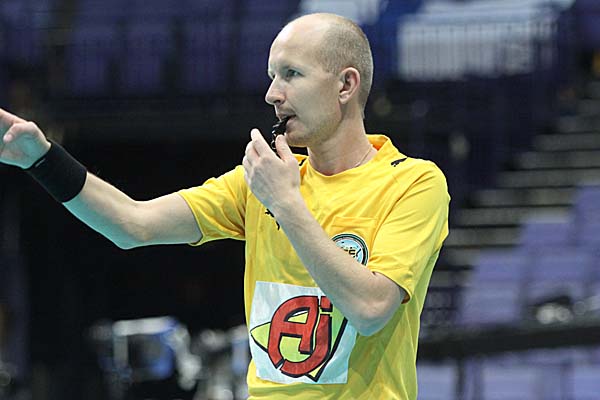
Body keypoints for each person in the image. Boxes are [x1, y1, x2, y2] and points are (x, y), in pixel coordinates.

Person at [0, 12, 449, 400]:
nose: (273, 94)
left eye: (292, 74)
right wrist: (42, 160)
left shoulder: (412, 183)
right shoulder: (261, 184)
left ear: (346, 85)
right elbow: (131, 225)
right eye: (272, 76)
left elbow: (370, 309)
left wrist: (285, 202)